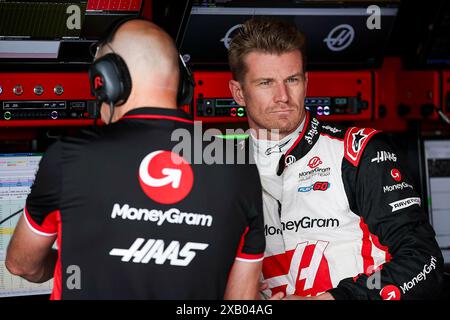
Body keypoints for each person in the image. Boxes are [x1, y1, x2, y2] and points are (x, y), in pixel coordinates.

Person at [5, 19, 265, 299]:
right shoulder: (238, 166)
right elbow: (240, 300)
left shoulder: (69, 157)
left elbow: (22, 264)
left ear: (107, 81)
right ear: (183, 87)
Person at [228, 17, 443, 300]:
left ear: (306, 82)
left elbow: (424, 263)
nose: (282, 96)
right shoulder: (224, 170)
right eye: (266, 82)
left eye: (292, 80)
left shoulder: (359, 153)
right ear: (239, 93)